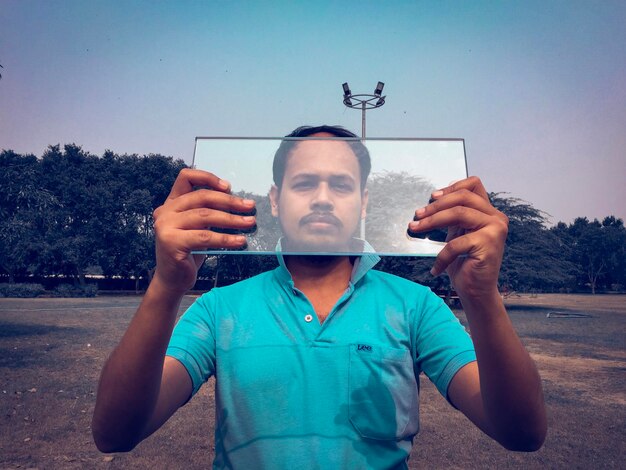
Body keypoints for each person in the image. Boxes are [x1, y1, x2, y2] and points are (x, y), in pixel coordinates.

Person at [92, 125, 547, 468]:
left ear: (364, 202)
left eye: (342, 185)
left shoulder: (416, 306)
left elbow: (522, 433)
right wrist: (166, 286)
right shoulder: (219, 309)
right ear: (275, 199)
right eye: (305, 183)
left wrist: (482, 296)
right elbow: (115, 433)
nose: (324, 198)